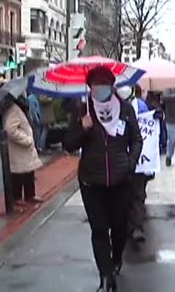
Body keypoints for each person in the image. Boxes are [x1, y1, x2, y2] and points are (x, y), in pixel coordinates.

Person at [63, 66, 142, 291]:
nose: (100, 90)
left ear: (112, 85)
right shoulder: (82, 110)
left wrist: (130, 163)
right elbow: (69, 144)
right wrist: (82, 127)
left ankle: (116, 259)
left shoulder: (125, 110)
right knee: (99, 229)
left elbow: (136, 139)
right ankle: (106, 276)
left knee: (119, 227)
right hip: (91, 181)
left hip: (120, 180)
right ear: (90, 88)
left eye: (104, 85)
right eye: (96, 85)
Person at [116, 85, 161, 245]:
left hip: (137, 159)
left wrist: (156, 116)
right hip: (118, 159)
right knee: (121, 195)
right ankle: (124, 226)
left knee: (137, 194)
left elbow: (148, 129)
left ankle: (136, 227)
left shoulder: (141, 106)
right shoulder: (110, 107)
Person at [2, 93, 43, 210]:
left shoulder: (19, 108)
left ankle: (30, 195)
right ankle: (17, 197)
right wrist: (26, 140)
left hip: (24, 150)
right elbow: (10, 129)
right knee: (19, 174)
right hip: (19, 149)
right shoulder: (13, 109)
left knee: (28, 172)